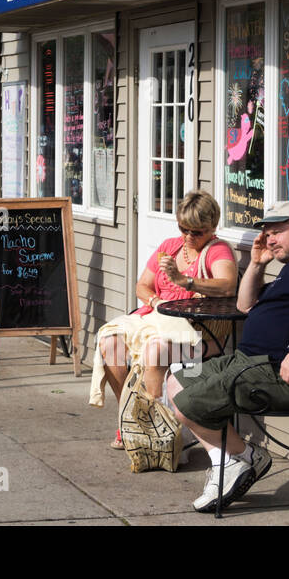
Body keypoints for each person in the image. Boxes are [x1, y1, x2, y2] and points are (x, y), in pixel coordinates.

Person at [166, 200, 289, 512]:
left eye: (278, 231)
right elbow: (245, 305)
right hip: (245, 364)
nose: (270, 238)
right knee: (175, 383)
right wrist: (257, 262)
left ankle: (240, 461)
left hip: (276, 374)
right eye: (267, 232)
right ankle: (237, 459)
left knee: (189, 404)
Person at [90, 190, 238, 447]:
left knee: (155, 349)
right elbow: (142, 286)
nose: (189, 236)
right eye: (184, 228)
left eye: (197, 231)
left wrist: (185, 281)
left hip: (198, 333)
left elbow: (227, 286)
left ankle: (158, 432)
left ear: (212, 227)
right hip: (156, 319)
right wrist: (156, 301)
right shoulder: (170, 246)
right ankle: (131, 420)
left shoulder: (217, 250)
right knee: (109, 341)